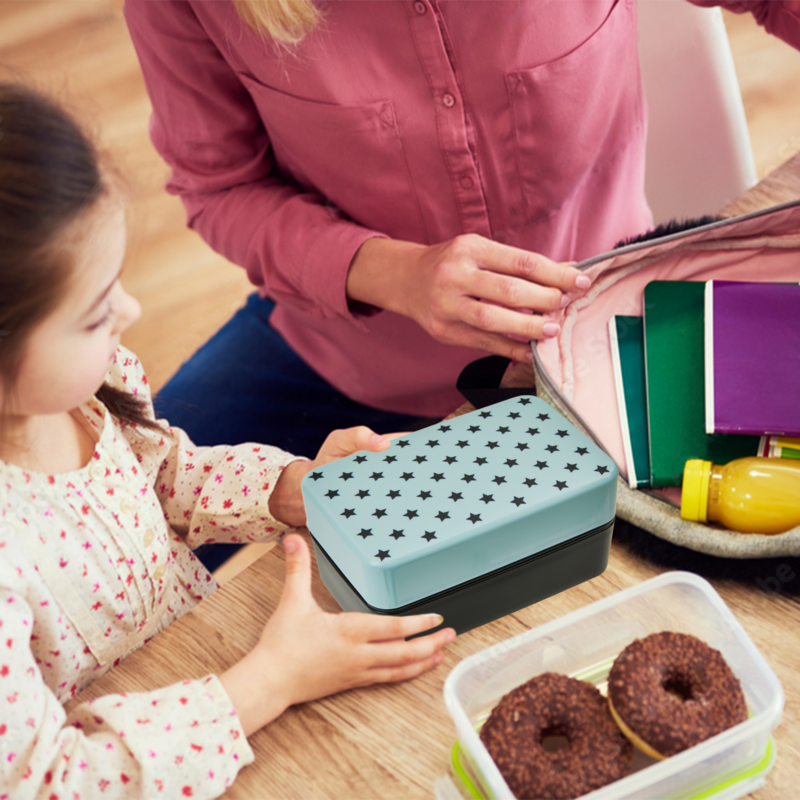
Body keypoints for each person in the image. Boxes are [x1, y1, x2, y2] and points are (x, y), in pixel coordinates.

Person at [0, 82, 455, 799]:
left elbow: (163, 477)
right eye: (94, 312)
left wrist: (290, 488)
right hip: (185, 746)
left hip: (216, 675)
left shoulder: (85, 391)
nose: (133, 310)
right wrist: (271, 679)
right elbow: (51, 782)